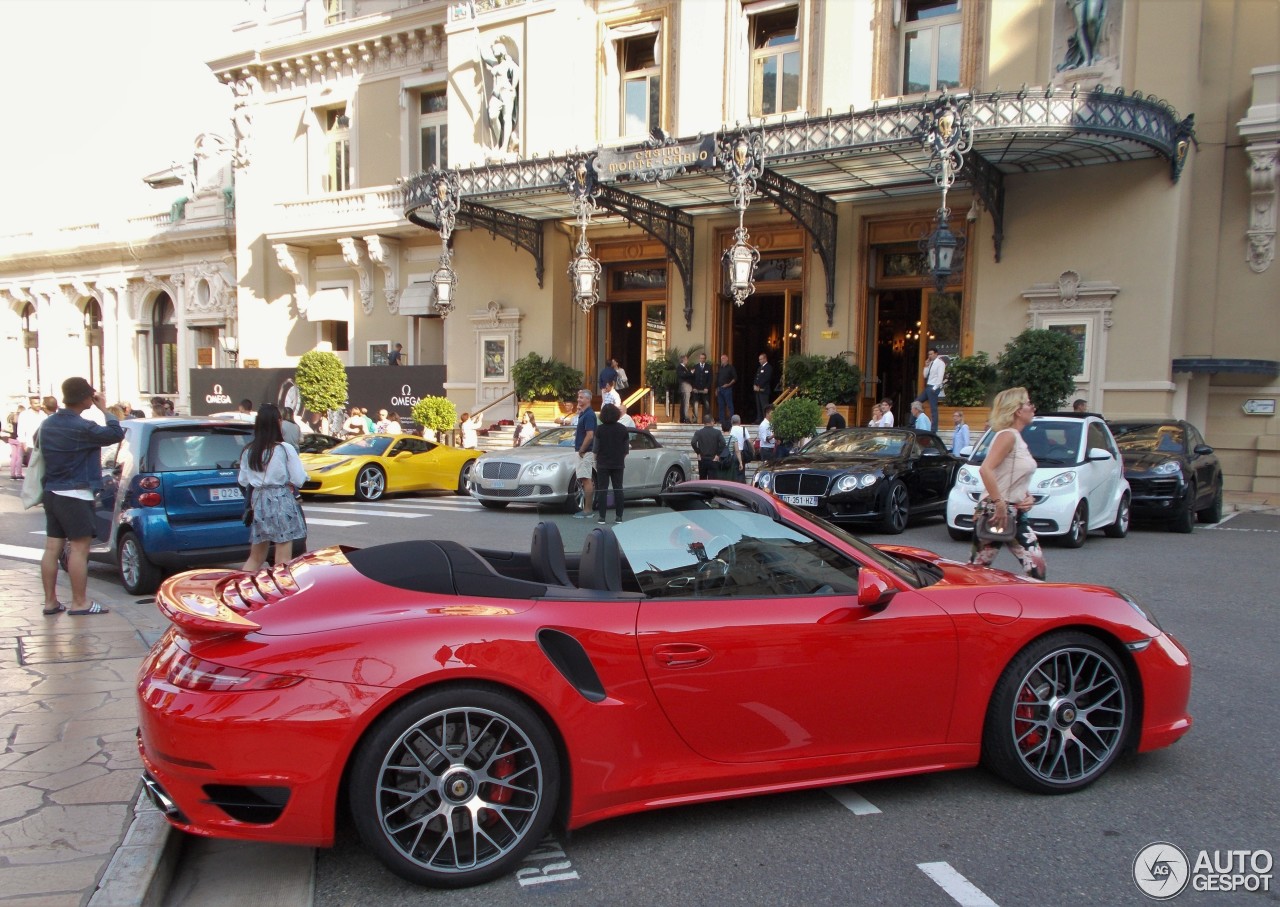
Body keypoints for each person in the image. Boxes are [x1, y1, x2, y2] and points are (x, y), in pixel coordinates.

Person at [38, 377, 124, 617]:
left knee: (52, 546)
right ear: (86, 398)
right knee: (79, 548)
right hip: (76, 493)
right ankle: (80, 602)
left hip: (52, 490)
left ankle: (50, 602)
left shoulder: (48, 424)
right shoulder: (81, 427)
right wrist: (105, 409)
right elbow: (115, 433)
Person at [969, 387, 1046, 580]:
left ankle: (1024, 607)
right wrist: (1000, 503)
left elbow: (1012, 475)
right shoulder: (1007, 436)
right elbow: (985, 469)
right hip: (996, 512)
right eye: (1029, 403)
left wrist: (1027, 496)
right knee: (978, 571)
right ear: (1018, 410)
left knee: (1036, 568)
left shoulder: (1016, 437)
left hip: (1015, 511)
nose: (1033, 407)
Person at [238, 403, 308, 572]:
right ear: (278, 422)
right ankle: (280, 595)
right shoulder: (284, 449)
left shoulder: (249, 450)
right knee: (283, 559)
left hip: (259, 502)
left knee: (256, 557)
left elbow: (243, 480)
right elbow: (298, 479)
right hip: (280, 500)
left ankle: (237, 589)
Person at [592, 403, 629, 523]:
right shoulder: (623, 429)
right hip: (618, 463)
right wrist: (620, 457)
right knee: (618, 489)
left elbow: (596, 449)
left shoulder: (599, 429)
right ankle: (619, 516)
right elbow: (626, 450)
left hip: (603, 463)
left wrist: (595, 460)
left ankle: (602, 517)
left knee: (602, 490)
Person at [570, 389, 597, 518]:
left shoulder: (589, 415)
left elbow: (590, 435)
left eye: (581, 398)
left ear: (588, 399)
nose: (579, 400)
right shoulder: (584, 414)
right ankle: (586, 509)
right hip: (583, 451)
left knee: (586, 479)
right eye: (578, 397)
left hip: (585, 452)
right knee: (584, 478)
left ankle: (587, 510)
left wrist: (582, 449)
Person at [916, 348, 946, 431]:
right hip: (928, 386)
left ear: (936, 354)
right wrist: (926, 366)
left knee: (933, 409)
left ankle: (934, 429)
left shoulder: (940, 363)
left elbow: (940, 377)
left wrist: (934, 388)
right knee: (916, 402)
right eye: (929, 354)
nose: (930, 356)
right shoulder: (931, 363)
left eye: (931, 354)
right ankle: (911, 424)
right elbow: (925, 375)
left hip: (933, 387)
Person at [691, 413, 727, 480]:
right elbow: (723, 443)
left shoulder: (698, 432)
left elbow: (693, 442)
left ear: (704, 422)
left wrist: (698, 452)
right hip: (713, 459)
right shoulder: (717, 432)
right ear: (712, 421)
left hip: (702, 459)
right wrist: (718, 455)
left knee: (702, 479)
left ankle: (702, 490)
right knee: (713, 481)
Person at [17, 395, 46, 475]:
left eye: (38, 403)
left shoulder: (43, 414)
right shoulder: (24, 414)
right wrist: (24, 444)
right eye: (35, 403)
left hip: (42, 445)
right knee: (32, 468)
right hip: (31, 445)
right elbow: (21, 429)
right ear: (31, 404)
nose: (38, 405)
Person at [715, 353, 737, 428]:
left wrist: (728, 384)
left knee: (729, 405)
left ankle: (732, 420)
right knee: (721, 405)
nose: (722, 360)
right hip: (720, 389)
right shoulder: (720, 368)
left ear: (727, 359)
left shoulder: (731, 368)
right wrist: (717, 388)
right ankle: (722, 420)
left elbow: (735, 378)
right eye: (721, 359)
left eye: (723, 358)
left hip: (727, 389)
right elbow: (717, 379)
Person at [727, 414, 751, 481]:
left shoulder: (730, 430)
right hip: (742, 453)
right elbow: (749, 441)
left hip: (732, 454)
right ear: (739, 421)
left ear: (731, 422)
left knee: (733, 473)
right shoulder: (743, 429)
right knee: (741, 473)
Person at [690, 352, 712, 424]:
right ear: (699, 359)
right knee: (695, 404)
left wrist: (707, 388)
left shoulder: (709, 367)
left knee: (707, 404)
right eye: (701, 358)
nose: (702, 359)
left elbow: (710, 379)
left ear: (705, 359)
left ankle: (707, 420)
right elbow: (692, 378)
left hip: (705, 390)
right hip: (696, 390)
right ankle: (695, 419)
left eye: (703, 358)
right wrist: (693, 387)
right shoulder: (695, 367)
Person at [752, 353, 773, 422]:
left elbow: (767, 378)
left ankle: (765, 419)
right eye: (759, 359)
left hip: (764, 390)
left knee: (764, 406)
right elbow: (756, 377)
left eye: (760, 359)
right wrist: (755, 385)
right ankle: (759, 419)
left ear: (765, 359)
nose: (759, 361)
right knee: (758, 406)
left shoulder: (768, 367)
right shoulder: (760, 368)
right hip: (757, 390)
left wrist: (759, 386)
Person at [8, 403, 26, 479]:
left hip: (11, 438)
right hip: (18, 439)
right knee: (19, 457)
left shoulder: (12, 417)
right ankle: (19, 474)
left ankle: (12, 474)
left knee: (13, 457)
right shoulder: (22, 418)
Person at [676, 354, 695, 423]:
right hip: (685, 387)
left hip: (686, 387)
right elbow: (683, 375)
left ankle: (683, 418)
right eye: (686, 359)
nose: (687, 361)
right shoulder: (680, 367)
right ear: (683, 360)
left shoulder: (685, 367)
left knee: (684, 403)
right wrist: (691, 372)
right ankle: (685, 418)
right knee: (685, 403)